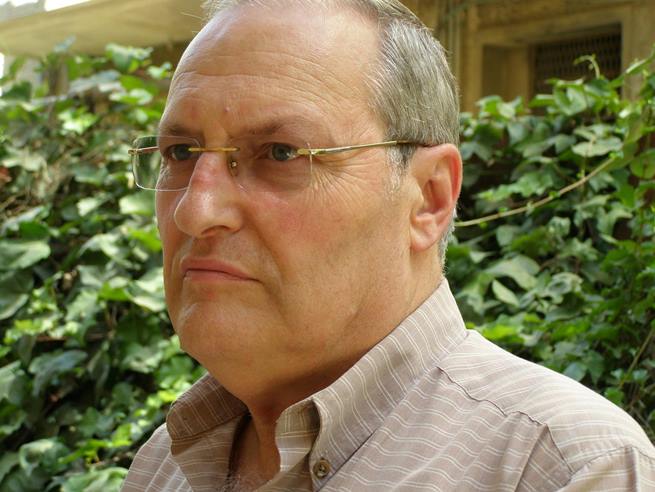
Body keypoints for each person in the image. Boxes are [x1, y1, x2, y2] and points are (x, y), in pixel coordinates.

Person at [121, 0, 655, 490]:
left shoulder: (559, 469)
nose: (195, 211)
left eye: (280, 154)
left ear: (428, 198)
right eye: (181, 152)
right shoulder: (165, 466)